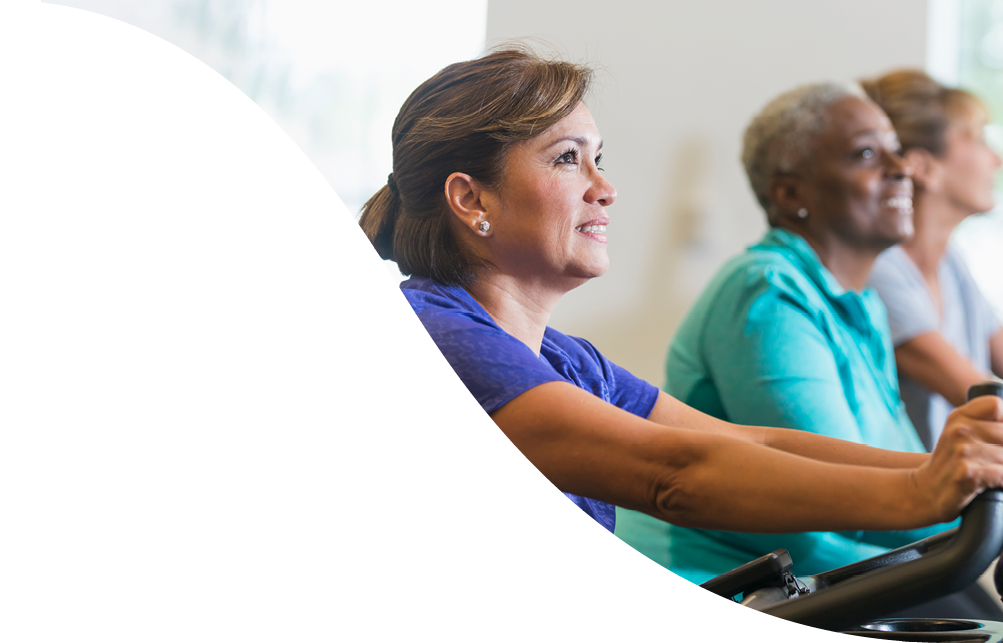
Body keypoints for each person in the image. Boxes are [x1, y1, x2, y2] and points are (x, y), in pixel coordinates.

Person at [357, 48, 1003, 592]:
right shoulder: (434, 333)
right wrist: (923, 490)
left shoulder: (566, 359)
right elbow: (676, 474)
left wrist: (964, 467)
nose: (604, 187)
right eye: (565, 159)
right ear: (471, 198)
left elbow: (750, 442)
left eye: (598, 159)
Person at [613, 81, 1001, 618]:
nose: (902, 167)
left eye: (895, 149)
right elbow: (830, 517)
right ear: (791, 194)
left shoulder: (859, 310)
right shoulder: (765, 292)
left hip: (811, 582)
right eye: (867, 153)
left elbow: (898, 480)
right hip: (717, 587)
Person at [862, 71, 1003, 451]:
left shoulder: (952, 266)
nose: (997, 159)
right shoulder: (881, 272)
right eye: (975, 138)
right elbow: (987, 404)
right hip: (919, 502)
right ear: (924, 168)